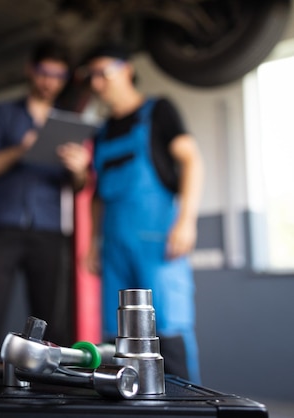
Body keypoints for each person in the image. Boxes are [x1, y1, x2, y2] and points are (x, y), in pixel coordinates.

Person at [79, 45, 204, 383]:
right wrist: (92, 243)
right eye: (92, 77)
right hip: (114, 247)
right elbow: (97, 193)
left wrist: (187, 221)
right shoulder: (102, 132)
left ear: (128, 70)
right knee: (116, 339)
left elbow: (191, 159)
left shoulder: (158, 112)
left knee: (169, 330)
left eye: (105, 73)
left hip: (158, 243)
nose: (98, 83)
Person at [0, 39, 89, 359]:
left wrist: (79, 169)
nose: (49, 81)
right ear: (30, 70)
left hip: (50, 229)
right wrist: (22, 148)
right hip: (3, 226)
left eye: (58, 75)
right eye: (44, 72)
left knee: (52, 315)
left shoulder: (69, 123)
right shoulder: (2, 114)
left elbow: (77, 185)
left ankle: (51, 384)